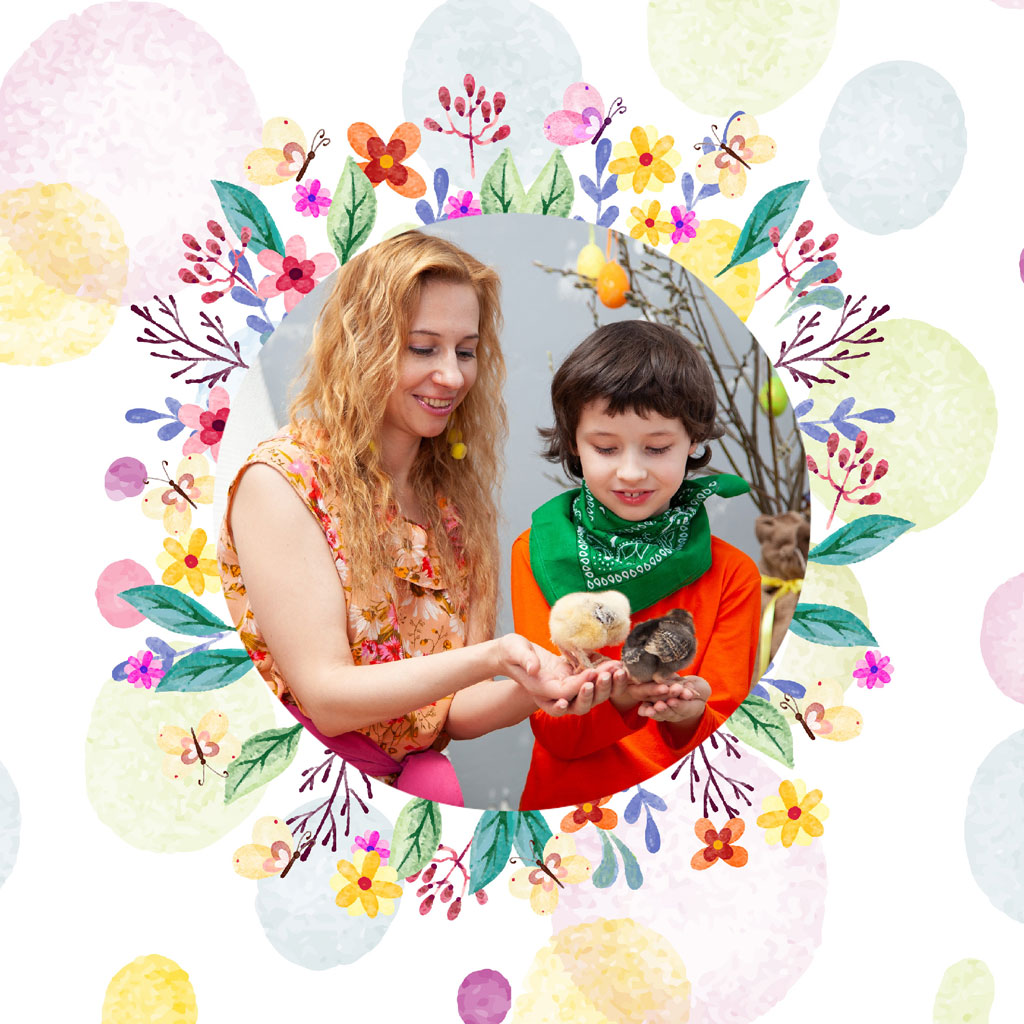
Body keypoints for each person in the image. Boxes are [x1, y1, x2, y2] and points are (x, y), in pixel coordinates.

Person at [217, 231, 623, 806]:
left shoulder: (453, 506)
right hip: (309, 792)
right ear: (363, 345)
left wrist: (543, 686)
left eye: (465, 351)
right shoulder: (283, 483)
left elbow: (452, 712)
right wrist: (492, 655)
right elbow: (326, 698)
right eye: (423, 348)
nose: (453, 377)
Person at [511, 319, 761, 809]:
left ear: (693, 440)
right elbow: (556, 733)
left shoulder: (733, 576)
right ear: (573, 445)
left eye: (657, 447)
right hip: (564, 819)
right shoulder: (539, 554)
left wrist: (688, 714)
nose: (630, 471)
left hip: (684, 823)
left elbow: (727, 751)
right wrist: (622, 699)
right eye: (605, 448)